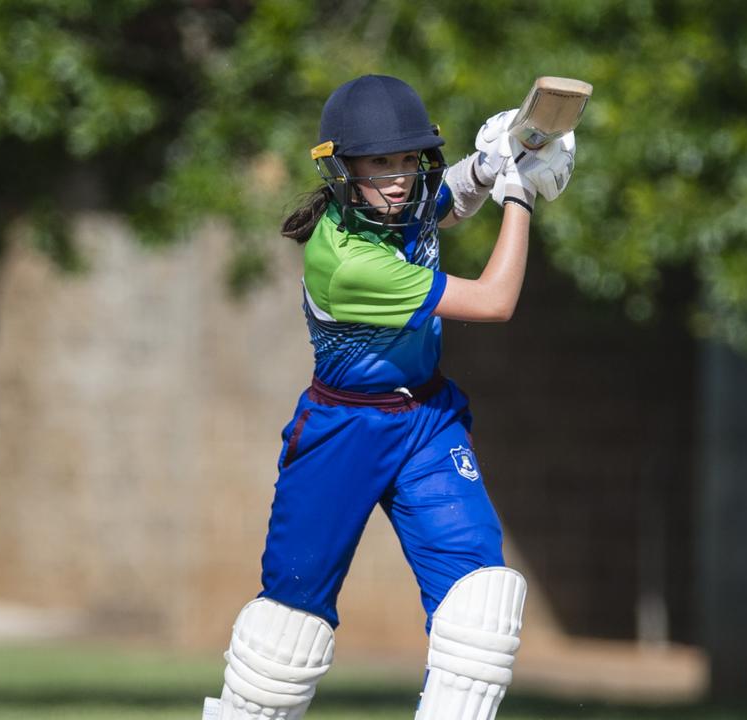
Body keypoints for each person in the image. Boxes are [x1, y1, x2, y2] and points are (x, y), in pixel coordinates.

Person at [201, 74, 575, 720]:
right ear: (342, 170)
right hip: (343, 432)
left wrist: (487, 167)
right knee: (284, 641)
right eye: (381, 163)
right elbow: (494, 300)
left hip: (427, 421)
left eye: (410, 160)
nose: (401, 178)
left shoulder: (394, 210)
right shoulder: (347, 262)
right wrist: (519, 195)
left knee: (480, 605)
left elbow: (444, 204)